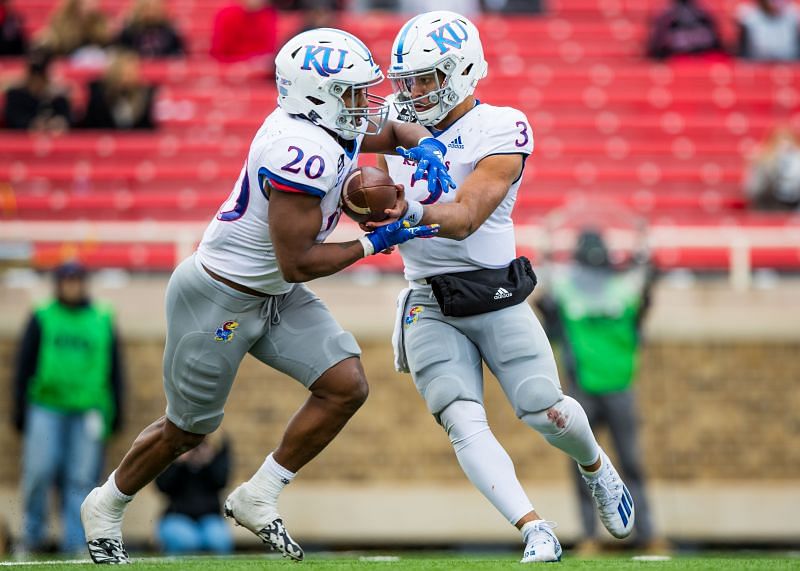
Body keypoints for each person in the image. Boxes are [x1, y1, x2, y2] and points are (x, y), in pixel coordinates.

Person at [80, 27, 450, 564]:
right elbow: (298, 260)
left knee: (345, 384)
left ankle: (260, 495)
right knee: (187, 431)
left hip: (275, 293)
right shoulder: (297, 149)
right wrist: (374, 240)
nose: (361, 102)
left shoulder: (326, 122)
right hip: (221, 296)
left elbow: (389, 126)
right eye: (350, 92)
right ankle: (106, 503)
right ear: (316, 95)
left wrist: (426, 143)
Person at [375, 11, 635, 563]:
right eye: (410, 79)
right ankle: (534, 527)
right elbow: (344, 154)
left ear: (464, 71)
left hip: (494, 291)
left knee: (544, 408)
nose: (415, 91)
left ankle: (595, 466)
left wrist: (407, 209)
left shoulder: (502, 126)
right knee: (460, 416)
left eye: (428, 77)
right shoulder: (393, 122)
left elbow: (467, 215)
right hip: (428, 296)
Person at [535, 228, 662, 554]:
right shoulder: (566, 291)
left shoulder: (622, 290)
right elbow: (552, 331)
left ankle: (646, 533)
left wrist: (649, 278)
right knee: (584, 463)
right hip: (582, 388)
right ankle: (590, 534)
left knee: (630, 462)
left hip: (619, 384)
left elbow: (639, 319)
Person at [13, 262, 124, 554]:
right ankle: (31, 536)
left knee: (81, 480)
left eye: (77, 280)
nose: (73, 286)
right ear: (59, 283)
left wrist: (117, 412)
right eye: (67, 280)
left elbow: (115, 370)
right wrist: (19, 411)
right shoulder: (43, 317)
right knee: (38, 471)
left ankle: (75, 543)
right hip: (46, 406)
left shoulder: (102, 318)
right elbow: (24, 366)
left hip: (89, 409)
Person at [154, 436, 233, 555]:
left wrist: (208, 461)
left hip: (210, 516)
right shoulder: (172, 454)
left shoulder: (218, 448)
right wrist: (179, 461)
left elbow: (221, 482)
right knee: (187, 542)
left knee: (218, 541)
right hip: (177, 516)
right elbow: (162, 485)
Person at [79, 50, 156, 130]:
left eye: (130, 73)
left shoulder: (146, 95)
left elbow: (148, 128)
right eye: (123, 73)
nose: (127, 77)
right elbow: (89, 125)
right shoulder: (98, 94)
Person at [3, 49, 72, 132]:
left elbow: (69, 119)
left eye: (40, 77)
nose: (37, 82)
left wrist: (60, 122)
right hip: (21, 141)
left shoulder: (58, 96)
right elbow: (11, 119)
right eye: (34, 77)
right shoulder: (16, 95)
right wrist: (31, 124)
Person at [646, 0, 726, 60]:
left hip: (704, 58)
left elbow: (716, 43)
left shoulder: (703, 14)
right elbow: (656, 49)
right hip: (676, 59)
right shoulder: (666, 17)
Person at [745, 126, 800, 210]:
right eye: (778, 142)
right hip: (769, 207)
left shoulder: (797, 160)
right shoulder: (762, 161)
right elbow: (752, 190)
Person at [210, 0, 278, 64]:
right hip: (230, 66)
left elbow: (268, 50)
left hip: (258, 68)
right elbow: (220, 52)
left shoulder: (268, 16)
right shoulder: (226, 15)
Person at [37, 0, 111, 58]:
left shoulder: (101, 22)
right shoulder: (61, 22)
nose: (91, 3)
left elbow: (106, 46)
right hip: (66, 64)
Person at [115, 0, 184, 58]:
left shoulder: (169, 32)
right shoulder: (129, 32)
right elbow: (121, 54)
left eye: (153, 9)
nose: (150, 13)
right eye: (146, 9)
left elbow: (178, 54)